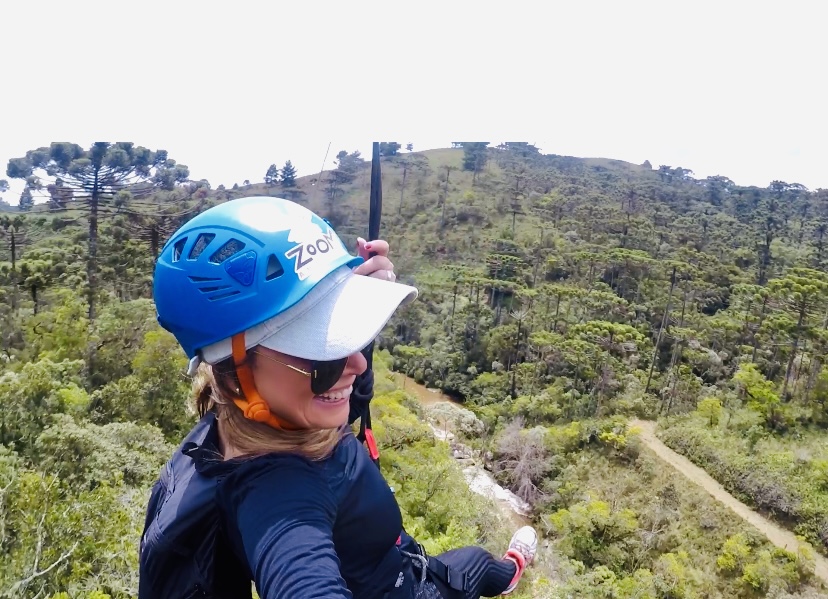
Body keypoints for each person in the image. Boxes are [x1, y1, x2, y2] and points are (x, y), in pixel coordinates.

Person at [140, 196, 537, 599]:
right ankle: (511, 571)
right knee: (473, 565)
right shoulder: (277, 489)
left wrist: (361, 300)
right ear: (237, 370)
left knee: (480, 566)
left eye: (346, 339)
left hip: (409, 564)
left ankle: (509, 572)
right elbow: (298, 569)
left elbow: (348, 389)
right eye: (322, 355)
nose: (357, 365)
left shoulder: (282, 412)